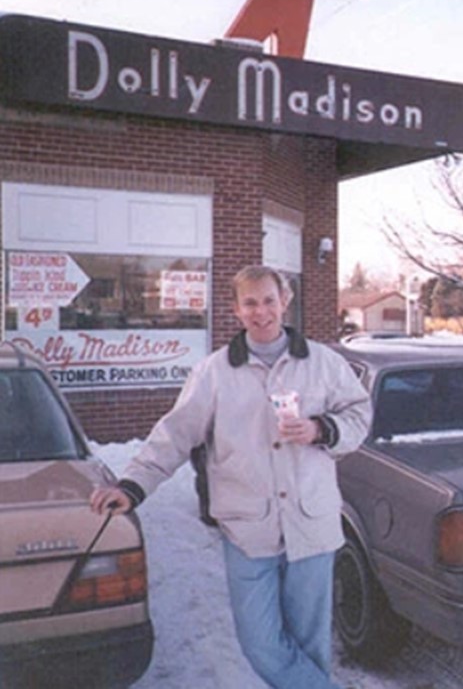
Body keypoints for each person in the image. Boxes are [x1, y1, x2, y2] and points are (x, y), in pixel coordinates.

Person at [90, 265, 371, 689]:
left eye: (269, 301)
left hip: (310, 524)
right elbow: (174, 435)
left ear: (285, 302)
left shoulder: (323, 363)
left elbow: (359, 414)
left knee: (309, 644)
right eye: (251, 303)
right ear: (236, 309)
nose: (262, 312)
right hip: (247, 529)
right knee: (261, 644)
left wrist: (321, 429)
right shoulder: (215, 372)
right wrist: (133, 485)